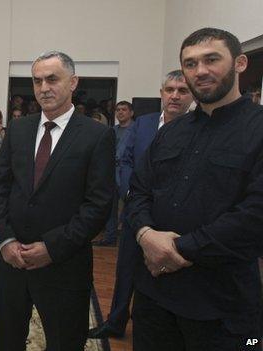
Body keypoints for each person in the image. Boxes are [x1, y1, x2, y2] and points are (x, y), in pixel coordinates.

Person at [128, 28, 263, 350]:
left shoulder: (257, 130)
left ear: (240, 63)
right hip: (154, 295)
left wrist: (180, 250)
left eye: (211, 59)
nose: (200, 71)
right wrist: (145, 234)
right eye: (190, 63)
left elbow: (255, 215)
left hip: (221, 304)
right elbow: (138, 190)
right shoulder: (171, 132)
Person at [0, 50, 115, 350]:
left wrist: (52, 248)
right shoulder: (18, 128)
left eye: (52, 79)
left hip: (64, 266)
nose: (43, 87)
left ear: (73, 82)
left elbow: (98, 205)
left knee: (64, 342)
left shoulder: (97, 135)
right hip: (13, 263)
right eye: (36, 81)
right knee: (8, 340)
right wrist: (5, 241)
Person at [88, 70, 194, 339]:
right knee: (126, 270)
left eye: (182, 91)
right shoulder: (144, 124)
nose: (175, 96)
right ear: (161, 93)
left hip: (172, 222)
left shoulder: (198, 128)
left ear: (191, 95)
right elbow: (125, 161)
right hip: (136, 212)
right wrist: (129, 194)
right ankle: (115, 322)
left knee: (164, 277)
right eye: (170, 89)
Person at [95, 100, 134, 246]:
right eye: (118, 110)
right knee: (110, 208)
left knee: (129, 207)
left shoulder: (136, 129)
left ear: (131, 113)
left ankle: (127, 240)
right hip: (111, 173)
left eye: (124, 109)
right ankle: (110, 238)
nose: (120, 112)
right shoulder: (112, 130)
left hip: (128, 174)